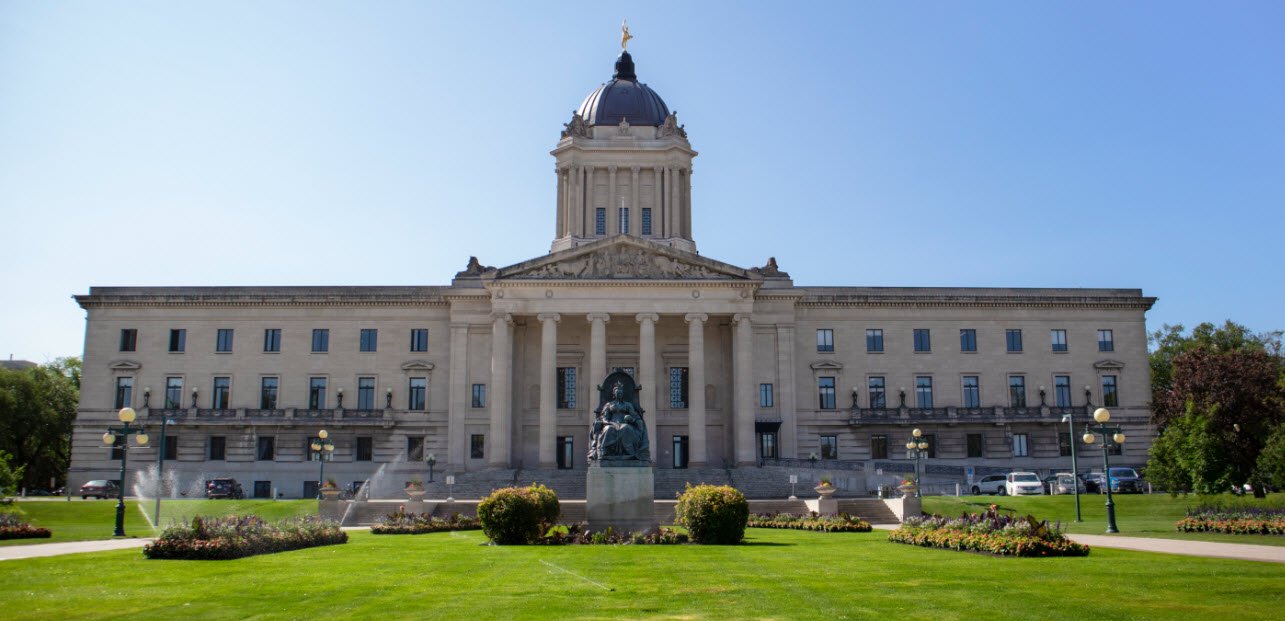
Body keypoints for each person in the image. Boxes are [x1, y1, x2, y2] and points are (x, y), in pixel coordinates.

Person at [590, 381, 649, 461]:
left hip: (625, 423)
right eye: (617, 392)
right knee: (609, 429)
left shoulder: (628, 405)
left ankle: (630, 452)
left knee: (626, 428)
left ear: (622, 394)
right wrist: (608, 422)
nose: (619, 394)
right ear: (614, 394)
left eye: (620, 393)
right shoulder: (609, 405)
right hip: (611, 423)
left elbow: (634, 416)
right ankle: (604, 452)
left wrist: (630, 419)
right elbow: (604, 417)